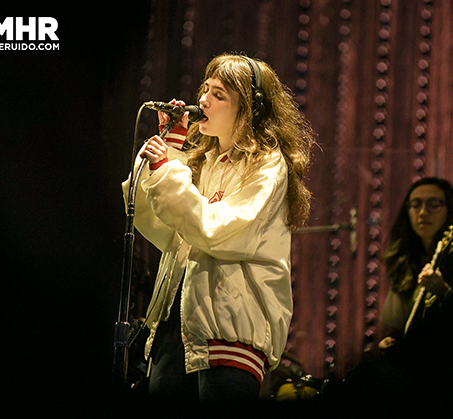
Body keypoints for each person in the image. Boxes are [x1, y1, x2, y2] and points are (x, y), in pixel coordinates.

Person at [122, 53, 316, 403]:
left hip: (230, 333)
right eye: (205, 89)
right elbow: (166, 229)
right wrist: (173, 147)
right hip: (179, 326)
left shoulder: (268, 166)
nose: (203, 101)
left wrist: (168, 169)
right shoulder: (207, 161)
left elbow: (215, 230)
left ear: (250, 109)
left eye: (219, 95)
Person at [376, 177, 453, 410]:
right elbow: (398, 325)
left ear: (451, 211)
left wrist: (445, 293)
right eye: (415, 204)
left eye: (433, 204)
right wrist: (392, 341)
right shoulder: (404, 259)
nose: (422, 212)